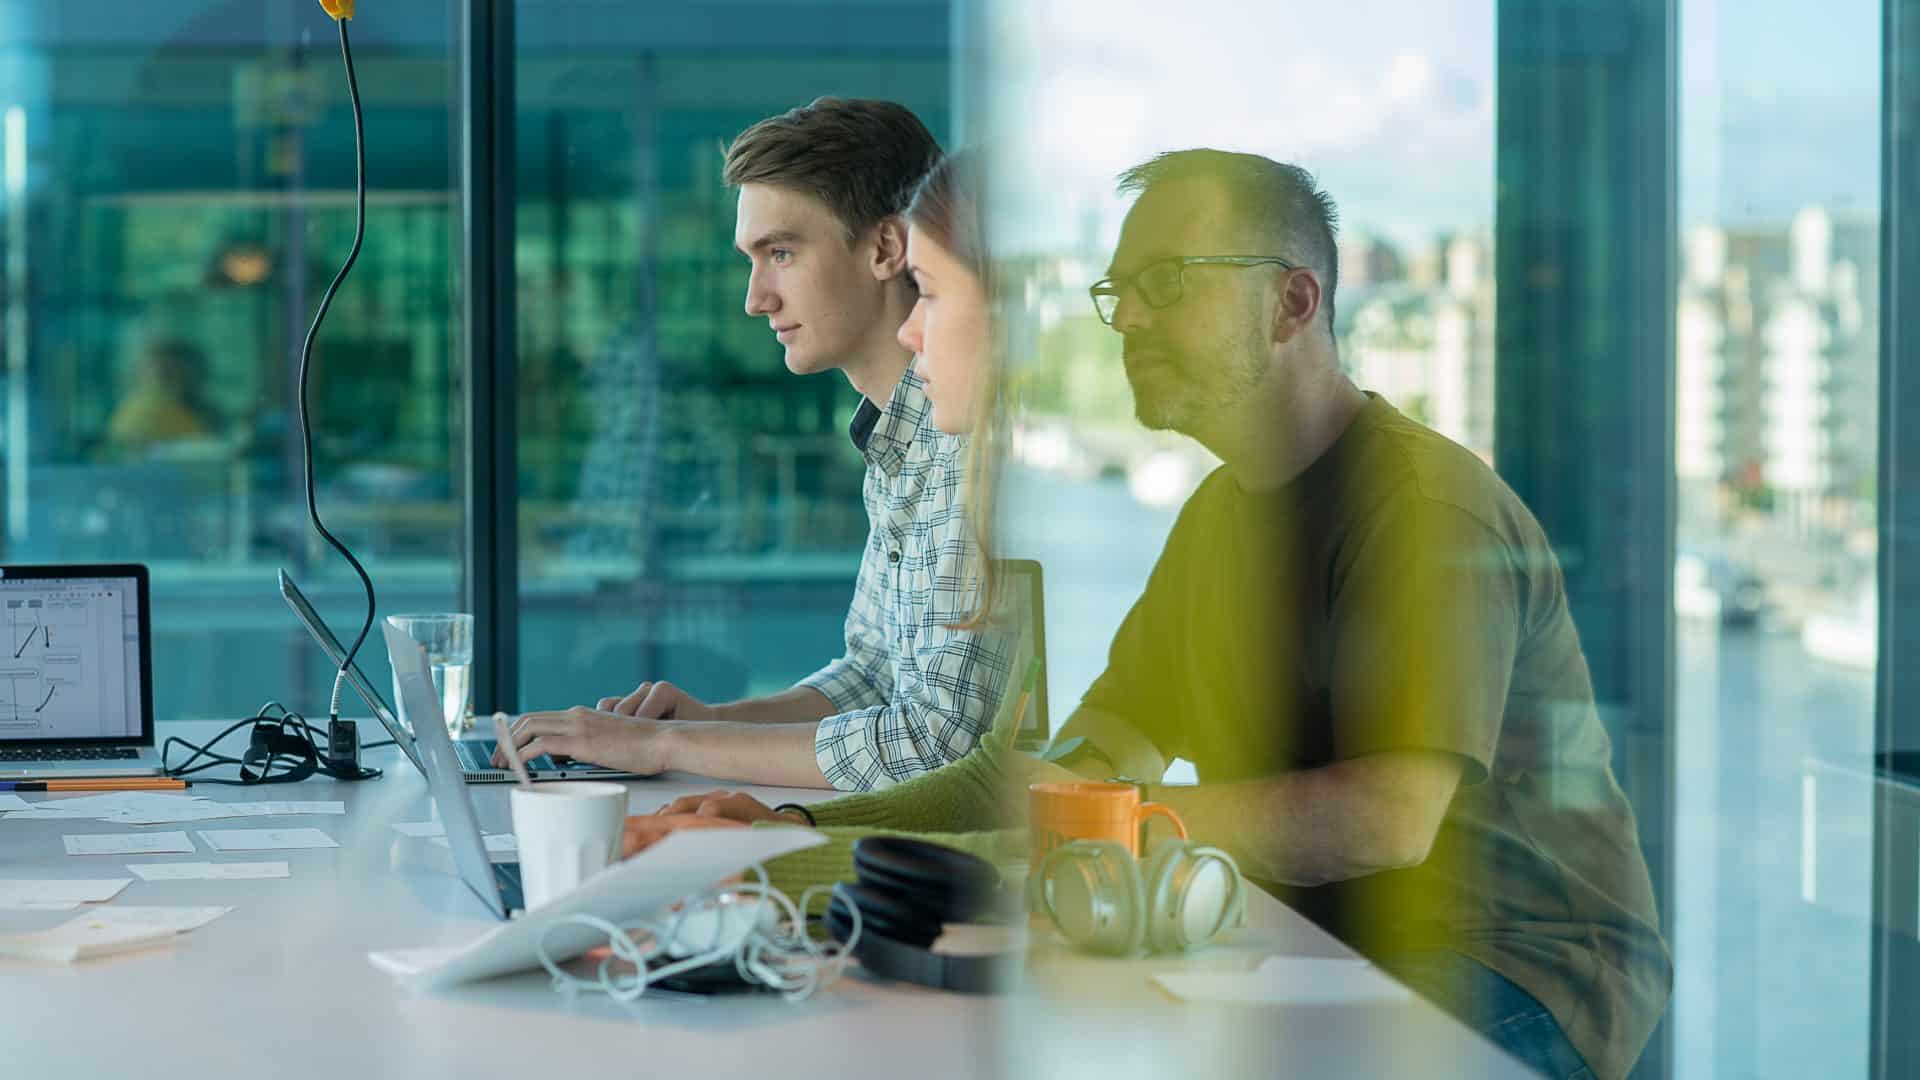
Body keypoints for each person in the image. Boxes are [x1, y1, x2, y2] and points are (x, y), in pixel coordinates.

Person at [635, 149, 1672, 1080]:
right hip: (1303, 946)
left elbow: (1385, 817)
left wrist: (1094, 830)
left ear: (1293, 303)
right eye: (1119, 290)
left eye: (1166, 286)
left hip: (1518, 970)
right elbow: (1061, 774)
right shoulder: (1221, 519)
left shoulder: (1426, 511)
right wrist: (802, 830)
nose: (1127, 318)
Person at [497, 99, 1012, 791]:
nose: (755, 298)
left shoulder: (963, 448)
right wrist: (705, 724)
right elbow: (873, 673)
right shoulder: (897, 437)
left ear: (887, 250)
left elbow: (932, 740)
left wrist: (668, 746)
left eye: (781, 253)